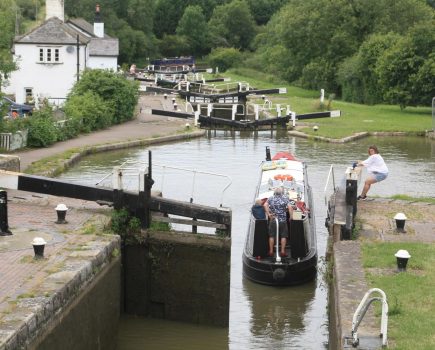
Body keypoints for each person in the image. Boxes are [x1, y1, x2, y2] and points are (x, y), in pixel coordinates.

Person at [264, 187, 294, 257]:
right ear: (281, 192)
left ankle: (271, 251)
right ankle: (282, 251)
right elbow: (290, 208)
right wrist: (291, 217)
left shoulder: (271, 198)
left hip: (273, 219)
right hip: (283, 220)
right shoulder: (285, 198)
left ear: (274, 192)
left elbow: (265, 205)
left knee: (271, 236)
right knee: (284, 236)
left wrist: (269, 214)